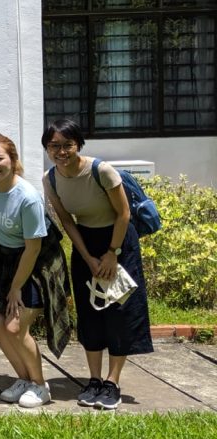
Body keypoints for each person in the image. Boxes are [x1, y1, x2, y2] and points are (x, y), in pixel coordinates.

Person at [42, 118, 153, 411]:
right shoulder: (50, 178)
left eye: (68, 145)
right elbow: (66, 220)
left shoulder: (101, 170)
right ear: (47, 148)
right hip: (85, 243)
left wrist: (112, 253)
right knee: (90, 311)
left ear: (78, 144)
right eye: (54, 146)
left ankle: (112, 382)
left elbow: (123, 213)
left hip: (118, 241)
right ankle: (93, 380)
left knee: (119, 311)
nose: (61, 151)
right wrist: (87, 256)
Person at [0, 134, 69, 408]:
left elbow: (32, 249)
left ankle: (41, 386)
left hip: (36, 261)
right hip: (4, 257)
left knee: (15, 327)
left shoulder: (27, 197)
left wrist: (17, 287)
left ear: (13, 160)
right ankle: (24, 379)